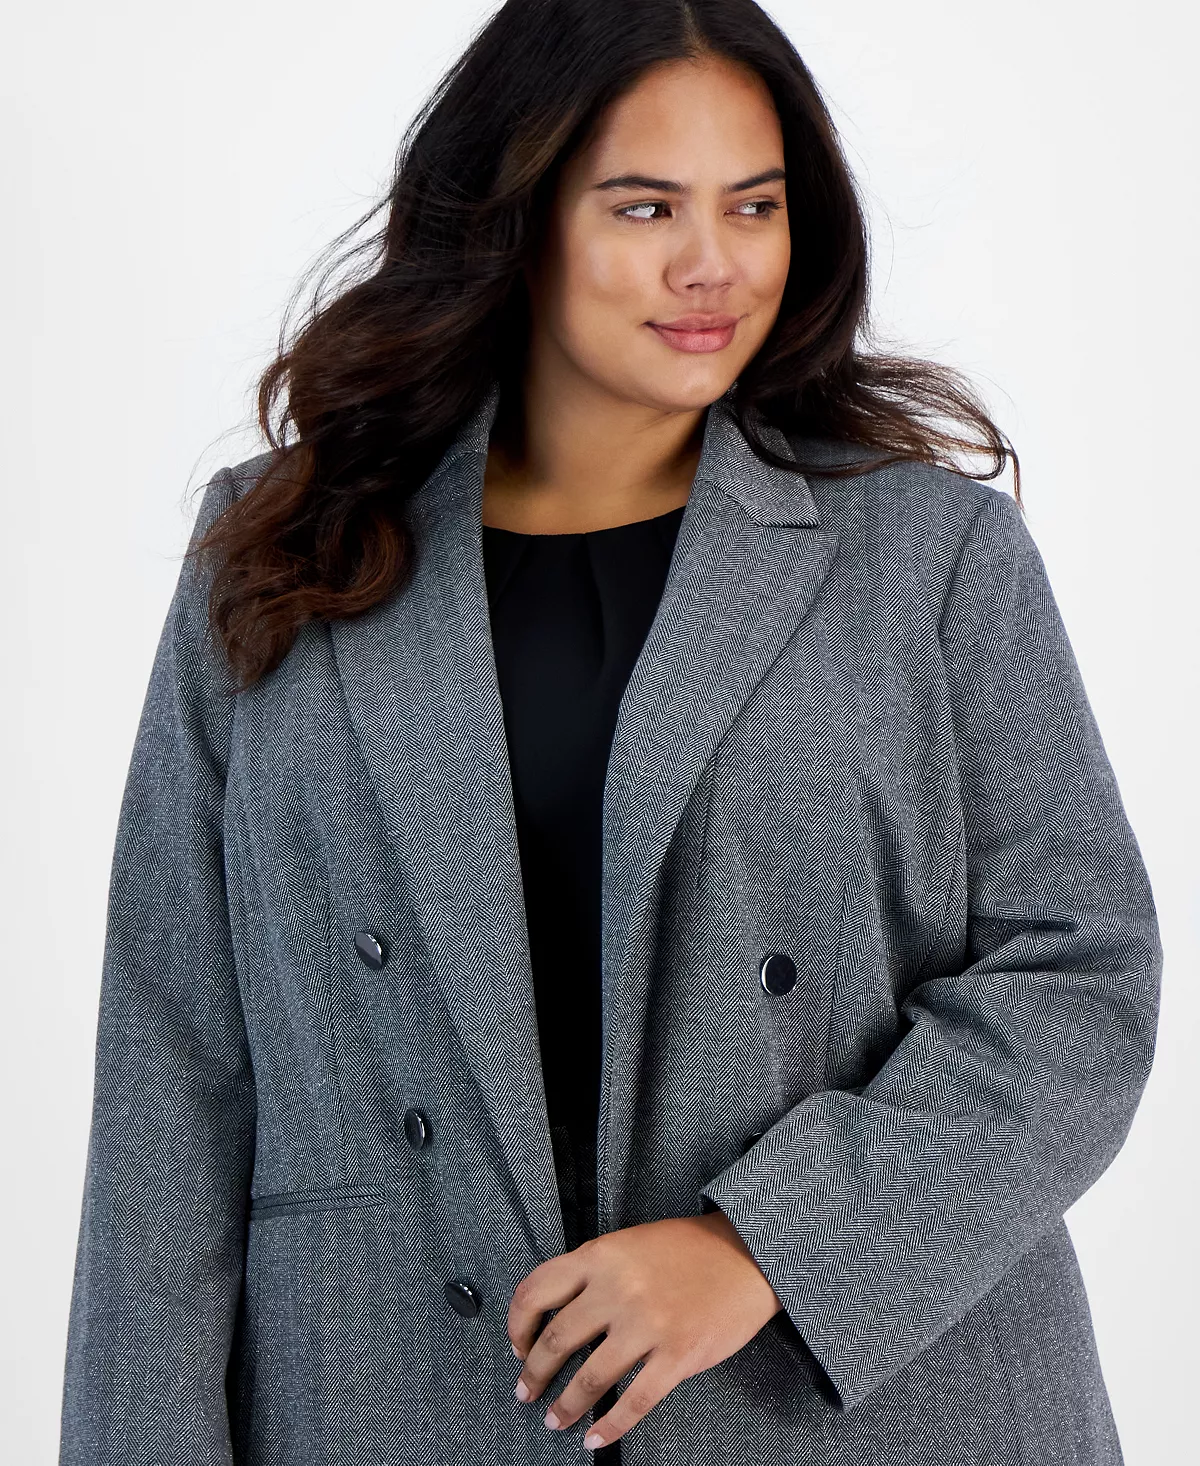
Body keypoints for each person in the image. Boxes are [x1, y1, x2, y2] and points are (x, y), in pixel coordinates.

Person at [58, 2, 1162, 1464]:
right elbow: (173, 1071)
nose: (713, 263)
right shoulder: (288, 551)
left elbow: (1083, 978)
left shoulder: (928, 555)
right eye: (646, 207)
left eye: (754, 206)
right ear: (513, 221)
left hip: (865, 1410)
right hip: (394, 1399)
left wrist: (761, 1248)